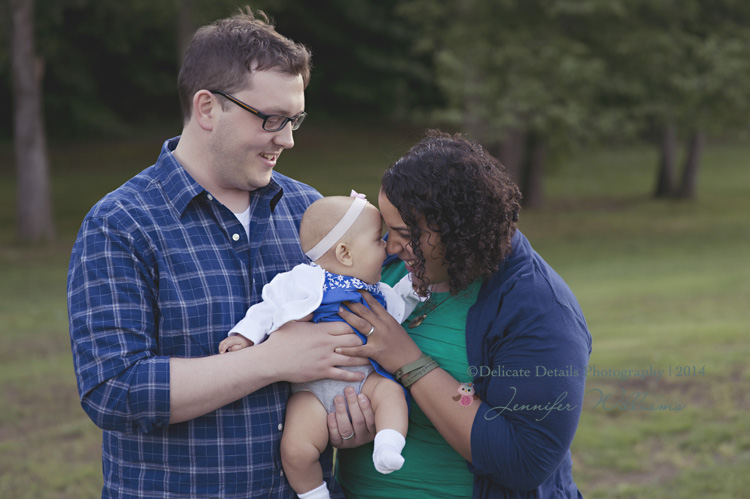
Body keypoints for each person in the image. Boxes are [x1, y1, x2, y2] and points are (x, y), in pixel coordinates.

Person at [67, 8, 374, 498]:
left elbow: (342, 348)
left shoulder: (308, 211)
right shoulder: (120, 224)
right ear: (207, 108)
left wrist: (347, 416)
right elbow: (114, 391)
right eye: (271, 119)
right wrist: (269, 361)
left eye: (294, 119)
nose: (288, 139)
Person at [333, 130, 593, 498]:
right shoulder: (384, 269)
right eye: (387, 230)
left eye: (405, 233)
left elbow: (524, 461)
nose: (390, 246)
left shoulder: (540, 310)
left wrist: (409, 361)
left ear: (458, 233)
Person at [219, 193, 419, 498]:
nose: (387, 246)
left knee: (391, 394)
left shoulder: (379, 291)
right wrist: (245, 336)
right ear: (345, 253)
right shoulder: (304, 281)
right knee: (296, 449)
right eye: (379, 239)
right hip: (312, 389)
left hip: (366, 379)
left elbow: (402, 310)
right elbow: (268, 307)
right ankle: (314, 494)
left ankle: (388, 444)